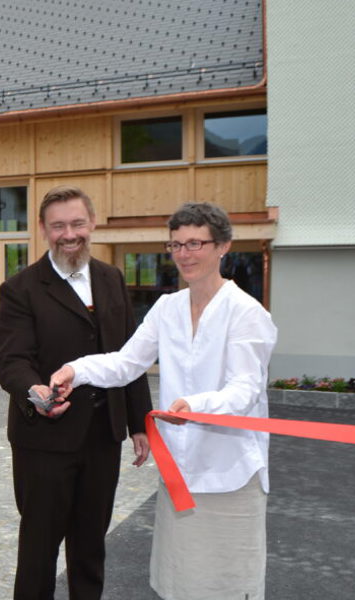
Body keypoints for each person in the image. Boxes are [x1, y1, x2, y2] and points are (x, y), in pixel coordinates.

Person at [49, 202, 277, 600]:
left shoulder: (246, 312)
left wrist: (197, 404)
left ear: (223, 246)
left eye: (195, 243)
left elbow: (246, 390)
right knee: (180, 582)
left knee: (227, 585)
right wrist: (76, 370)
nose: (184, 254)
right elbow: (126, 363)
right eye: (176, 245)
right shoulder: (167, 308)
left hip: (230, 472)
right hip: (180, 471)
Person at [0, 185, 152, 600]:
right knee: (38, 551)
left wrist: (140, 422)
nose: (69, 234)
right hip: (43, 442)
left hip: (102, 437)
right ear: (43, 229)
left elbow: (130, 355)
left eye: (77, 223)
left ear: (92, 223)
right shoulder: (20, 288)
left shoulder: (111, 278)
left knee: (90, 547)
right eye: (59, 225)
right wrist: (35, 392)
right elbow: (11, 360)